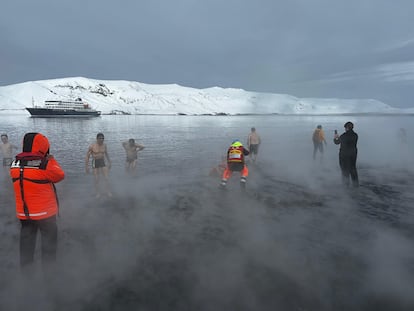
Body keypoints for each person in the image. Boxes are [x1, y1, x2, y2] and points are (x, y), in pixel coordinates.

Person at [10, 132, 65, 269]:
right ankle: (49, 271)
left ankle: (26, 271)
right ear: (43, 146)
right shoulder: (44, 163)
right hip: (44, 214)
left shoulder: (14, 163)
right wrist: (51, 159)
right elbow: (59, 175)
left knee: (27, 241)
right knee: (48, 243)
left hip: (24, 213)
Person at [85, 133, 112, 197]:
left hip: (102, 161)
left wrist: (110, 162)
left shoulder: (104, 145)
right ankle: (97, 193)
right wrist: (86, 166)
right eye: (100, 138)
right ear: (97, 139)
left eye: (103, 138)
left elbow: (106, 153)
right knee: (97, 179)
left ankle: (108, 191)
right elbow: (87, 156)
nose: (101, 140)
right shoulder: (92, 146)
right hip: (95, 162)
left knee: (106, 178)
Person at [333, 122, 359, 187]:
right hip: (353, 154)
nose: (345, 129)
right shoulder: (355, 135)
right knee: (353, 168)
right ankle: (355, 184)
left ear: (347, 128)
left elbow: (337, 142)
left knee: (345, 169)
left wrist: (335, 138)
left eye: (345, 128)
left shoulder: (344, 136)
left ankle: (346, 185)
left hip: (344, 154)